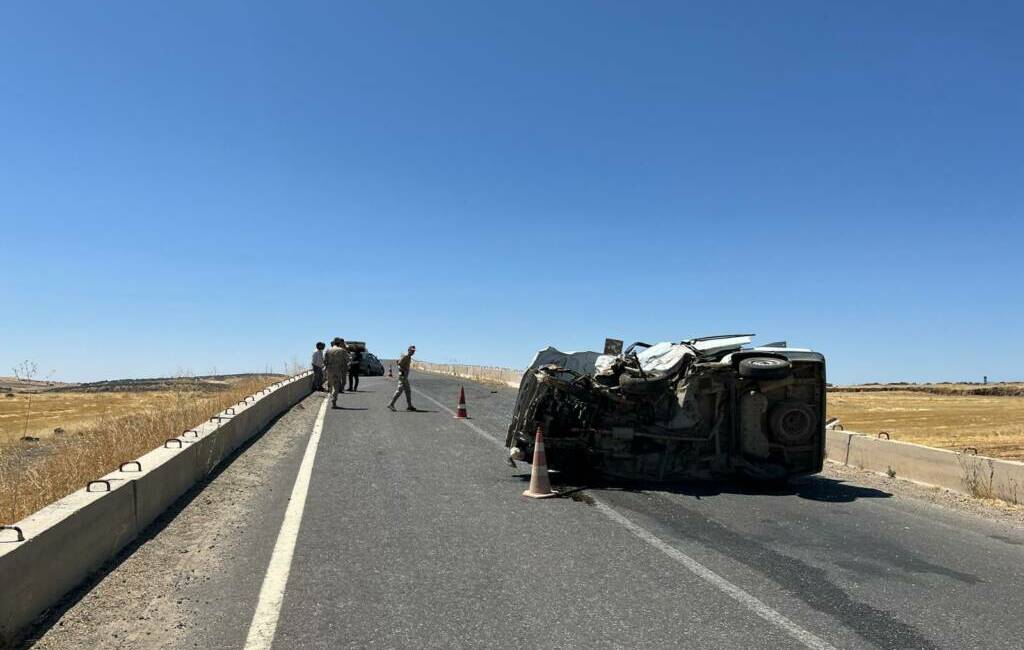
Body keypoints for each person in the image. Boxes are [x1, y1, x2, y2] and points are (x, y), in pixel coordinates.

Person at [388, 345, 417, 411]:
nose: (413, 352)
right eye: (412, 350)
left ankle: (409, 406)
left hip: (404, 377)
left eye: (414, 351)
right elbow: (399, 364)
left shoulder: (408, 357)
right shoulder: (406, 356)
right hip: (403, 376)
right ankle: (391, 404)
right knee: (399, 391)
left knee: (408, 391)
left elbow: (398, 362)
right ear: (408, 350)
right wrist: (402, 372)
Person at [324, 337, 350, 408]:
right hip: (338, 370)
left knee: (330, 385)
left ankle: (331, 396)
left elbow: (325, 361)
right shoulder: (342, 350)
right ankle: (334, 401)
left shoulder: (328, 350)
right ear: (339, 343)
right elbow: (347, 360)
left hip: (329, 370)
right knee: (336, 386)